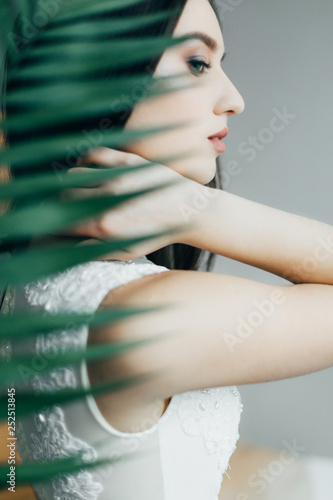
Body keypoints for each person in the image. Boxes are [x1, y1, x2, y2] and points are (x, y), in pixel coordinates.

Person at [11, 0, 333, 499]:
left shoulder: (32, 276)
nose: (235, 99)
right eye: (197, 63)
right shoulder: (138, 317)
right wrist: (200, 211)